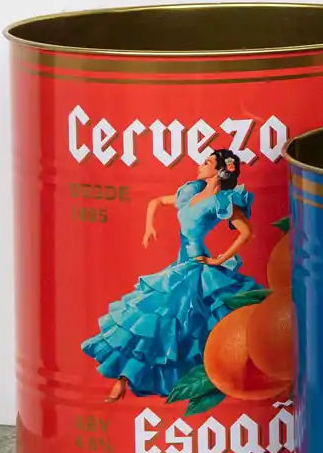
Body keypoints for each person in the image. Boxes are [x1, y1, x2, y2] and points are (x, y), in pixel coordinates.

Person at [83, 149, 258, 402]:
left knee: (193, 325)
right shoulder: (191, 196)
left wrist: (218, 259)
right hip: (180, 264)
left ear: (220, 171)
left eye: (207, 162)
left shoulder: (220, 201)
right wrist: (148, 228)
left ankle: (219, 378)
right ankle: (123, 380)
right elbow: (156, 202)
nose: (200, 165)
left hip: (196, 266)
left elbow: (246, 232)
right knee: (149, 320)